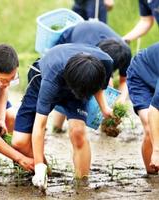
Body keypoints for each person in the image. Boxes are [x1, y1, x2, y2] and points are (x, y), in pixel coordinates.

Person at [11, 43, 113, 190]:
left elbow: (99, 86)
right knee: (20, 142)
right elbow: (40, 125)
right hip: (42, 79)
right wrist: (39, 165)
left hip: (80, 81)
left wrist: (104, 108)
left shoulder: (105, 63)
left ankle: (82, 186)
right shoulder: (51, 79)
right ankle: (43, 172)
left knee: (78, 132)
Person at [52, 20, 131, 133]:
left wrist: (121, 100)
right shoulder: (83, 52)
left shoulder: (125, 52)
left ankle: (106, 125)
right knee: (70, 89)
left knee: (108, 86)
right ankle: (57, 128)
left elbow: (125, 80)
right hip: (71, 39)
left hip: (98, 40)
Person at [127, 43, 159, 176]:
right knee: (150, 128)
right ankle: (152, 174)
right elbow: (154, 110)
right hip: (141, 75)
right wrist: (157, 150)